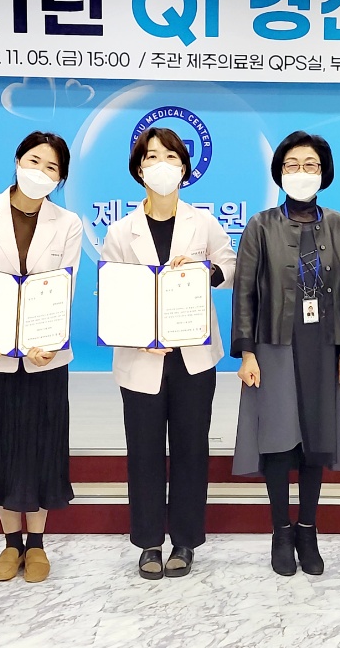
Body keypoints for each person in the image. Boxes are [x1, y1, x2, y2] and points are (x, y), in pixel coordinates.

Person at [100, 127, 237, 580]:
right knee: (143, 452)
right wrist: (131, 331)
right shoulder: (121, 231)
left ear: (184, 168)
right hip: (141, 356)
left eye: (171, 157)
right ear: (139, 168)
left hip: (193, 356)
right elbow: (112, 292)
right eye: (152, 157)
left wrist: (205, 271)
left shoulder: (204, 223)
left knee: (191, 449)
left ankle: (185, 540)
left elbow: (232, 266)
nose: (162, 166)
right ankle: (148, 542)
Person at [0, 131, 82, 584]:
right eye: (34, 161)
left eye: (52, 167)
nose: (41, 172)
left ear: (61, 178)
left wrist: (48, 340)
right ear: (17, 161)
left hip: (44, 355)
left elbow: (63, 288)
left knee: (41, 447)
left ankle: (38, 544)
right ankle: (10, 543)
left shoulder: (68, 223)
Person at [230, 131, 340, 577]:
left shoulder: (339, 225)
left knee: (315, 444)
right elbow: (244, 293)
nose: (301, 173)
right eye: (292, 165)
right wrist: (246, 353)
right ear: (279, 172)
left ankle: (308, 530)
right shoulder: (261, 225)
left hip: (322, 346)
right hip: (273, 344)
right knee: (279, 441)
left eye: (310, 165)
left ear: (324, 172)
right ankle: (281, 533)